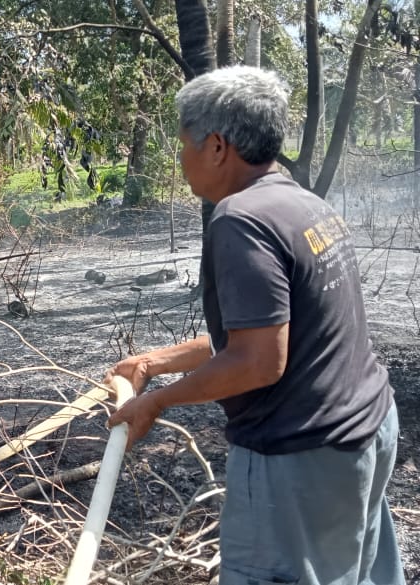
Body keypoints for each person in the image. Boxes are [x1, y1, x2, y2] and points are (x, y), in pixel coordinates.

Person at [106, 66, 403, 585]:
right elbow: (260, 334)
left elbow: (260, 361)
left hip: (303, 456)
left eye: (185, 146)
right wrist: (154, 363)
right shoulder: (301, 202)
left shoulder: (239, 219)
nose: (181, 161)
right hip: (367, 430)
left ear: (217, 146)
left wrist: (156, 401)